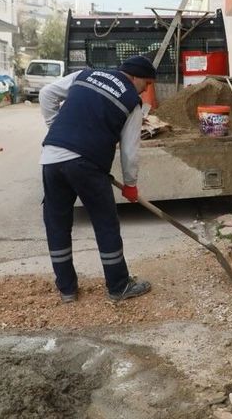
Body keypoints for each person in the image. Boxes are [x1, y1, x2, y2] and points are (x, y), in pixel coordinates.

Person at [39, 55, 156, 302]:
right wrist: (131, 185)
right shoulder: (131, 101)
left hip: (51, 157)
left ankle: (67, 290)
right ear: (135, 77)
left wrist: (54, 126)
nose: (146, 90)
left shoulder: (84, 75)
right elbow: (129, 151)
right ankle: (118, 286)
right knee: (105, 223)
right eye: (146, 84)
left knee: (57, 223)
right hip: (87, 164)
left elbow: (47, 93)